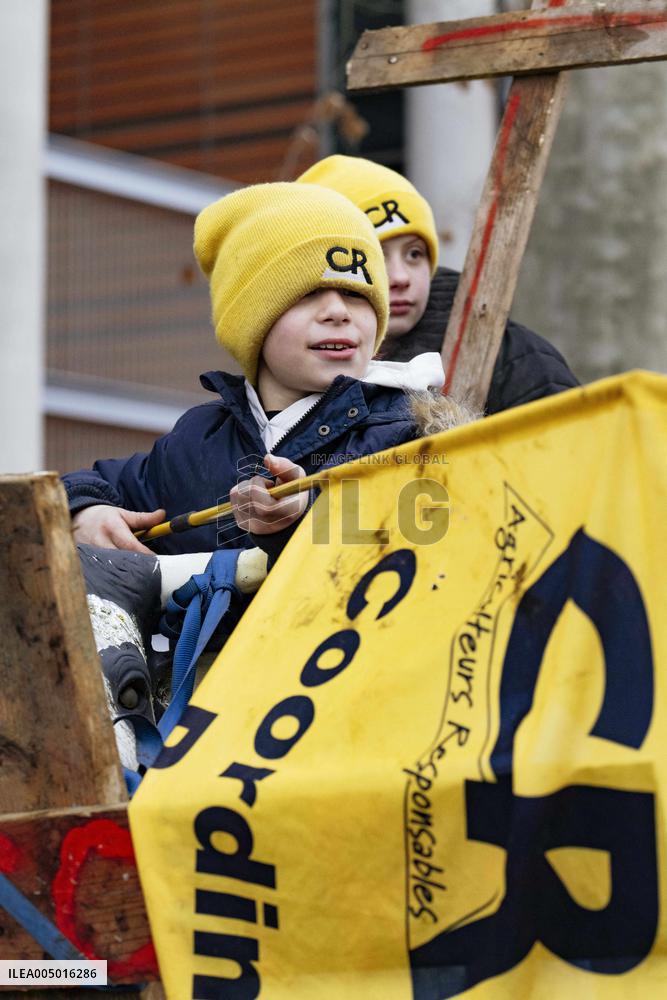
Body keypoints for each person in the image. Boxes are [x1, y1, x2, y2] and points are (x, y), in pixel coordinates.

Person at [63, 182, 467, 561]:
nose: (338, 312)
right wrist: (85, 512)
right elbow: (73, 487)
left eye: (355, 294)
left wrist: (304, 515)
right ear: (250, 322)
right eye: (307, 294)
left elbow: (424, 553)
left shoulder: (412, 437)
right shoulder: (195, 439)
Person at [297, 155, 579, 414]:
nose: (400, 277)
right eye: (376, 257)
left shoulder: (513, 357)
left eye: (414, 254)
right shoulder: (280, 377)